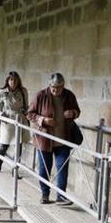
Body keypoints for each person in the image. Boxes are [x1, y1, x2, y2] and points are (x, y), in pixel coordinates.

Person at [27, 73, 80, 205]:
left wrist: (72, 113)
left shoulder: (69, 95)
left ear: (63, 86)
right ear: (49, 85)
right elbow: (29, 113)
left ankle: (61, 196)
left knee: (62, 167)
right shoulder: (41, 95)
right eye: (53, 88)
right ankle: (45, 195)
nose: (56, 91)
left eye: (59, 88)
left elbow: (78, 111)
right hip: (44, 139)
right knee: (45, 168)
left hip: (63, 139)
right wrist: (43, 120)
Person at [0, 71, 30, 174]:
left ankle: (15, 170)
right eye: (11, 80)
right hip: (7, 120)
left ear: (18, 81)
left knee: (19, 145)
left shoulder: (23, 91)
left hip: (20, 119)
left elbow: (26, 106)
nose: (13, 82)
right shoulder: (3, 92)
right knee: (4, 144)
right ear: (8, 81)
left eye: (15, 80)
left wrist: (26, 112)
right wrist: (0, 114)